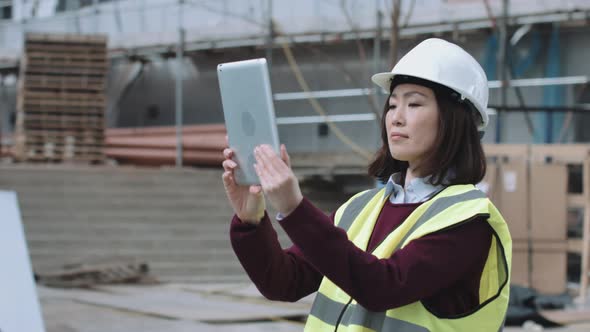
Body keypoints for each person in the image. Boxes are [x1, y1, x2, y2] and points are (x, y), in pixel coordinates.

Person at [222, 38, 512, 332]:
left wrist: (295, 209)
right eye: (393, 104)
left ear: (454, 121)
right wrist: (251, 221)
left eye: (413, 104)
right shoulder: (360, 209)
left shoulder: (469, 221)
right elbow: (283, 281)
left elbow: (383, 287)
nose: (396, 117)